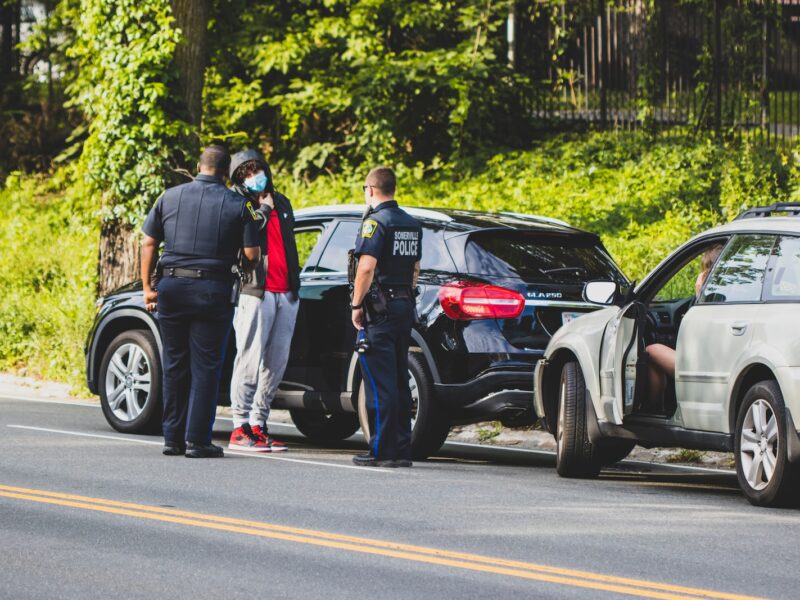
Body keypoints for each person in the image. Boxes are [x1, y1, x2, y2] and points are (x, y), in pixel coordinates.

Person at [141, 145, 262, 458]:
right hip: (213, 291)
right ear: (225, 173)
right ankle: (197, 441)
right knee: (205, 366)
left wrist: (147, 288)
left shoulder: (168, 197)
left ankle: (172, 438)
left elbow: (149, 243)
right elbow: (252, 254)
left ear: (199, 166)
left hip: (172, 288)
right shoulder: (240, 203)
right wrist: (243, 269)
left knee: (174, 363)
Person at [226, 150, 300, 452]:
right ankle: (239, 425)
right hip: (255, 290)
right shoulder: (238, 204)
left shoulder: (282, 202)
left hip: (286, 290)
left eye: (256, 170)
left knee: (276, 362)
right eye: (245, 174)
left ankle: (259, 422)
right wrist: (264, 211)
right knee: (249, 357)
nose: (253, 177)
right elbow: (243, 239)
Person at [350, 167, 421, 468]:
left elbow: (366, 267)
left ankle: (381, 450)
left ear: (370, 189)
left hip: (379, 309)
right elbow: (416, 267)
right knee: (399, 379)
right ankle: (402, 449)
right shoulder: (411, 224)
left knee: (379, 382)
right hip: (405, 304)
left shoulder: (375, 223)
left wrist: (356, 305)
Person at [646, 243, 724, 405]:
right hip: (718, 365)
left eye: (705, 269)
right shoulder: (735, 294)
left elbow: (698, 334)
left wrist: (699, 294)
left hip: (704, 367)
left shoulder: (711, 300)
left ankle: (654, 408)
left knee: (651, 350)